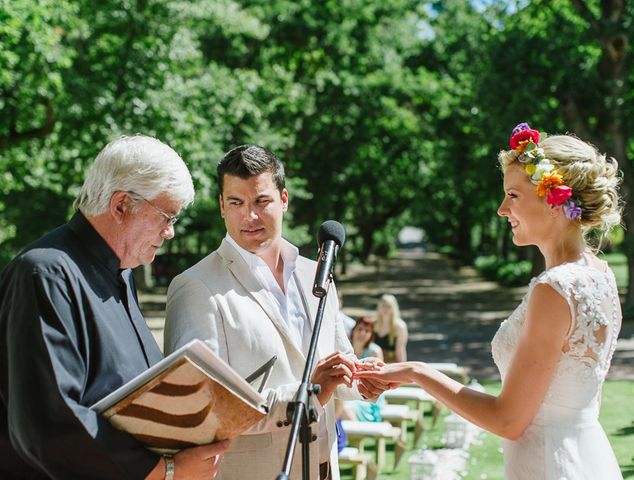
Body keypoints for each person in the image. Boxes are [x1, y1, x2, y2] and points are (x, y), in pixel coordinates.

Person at [356, 123, 624, 479]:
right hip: (586, 457)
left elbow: (508, 420)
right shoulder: (601, 276)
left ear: (553, 199)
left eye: (512, 195)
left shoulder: (555, 289)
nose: (501, 209)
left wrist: (416, 372)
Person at [0, 135, 230, 479]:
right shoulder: (44, 274)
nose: (169, 233)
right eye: (166, 216)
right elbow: (51, 422)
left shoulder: (120, 273)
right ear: (121, 205)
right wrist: (164, 472)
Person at [163, 144, 387, 480]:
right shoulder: (195, 287)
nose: (249, 216)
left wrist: (361, 382)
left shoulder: (318, 273)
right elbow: (202, 407)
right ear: (222, 206)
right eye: (236, 203)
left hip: (325, 470)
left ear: (283, 199)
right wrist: (303, 396)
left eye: (261, 201)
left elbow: (336, 365)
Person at [374, 294, 408, 362]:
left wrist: (402, 367)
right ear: (379, 308)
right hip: (375, 362)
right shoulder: (373, 324)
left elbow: (400, 351)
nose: (385, 309)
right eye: (383, 306)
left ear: (393, 308)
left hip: (391, 363)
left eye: (388, 307)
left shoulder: (399, 327)